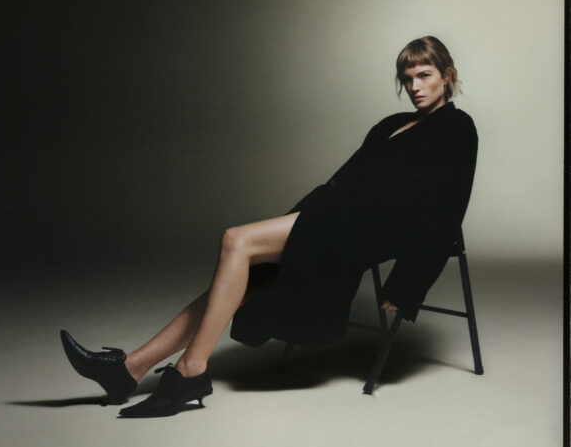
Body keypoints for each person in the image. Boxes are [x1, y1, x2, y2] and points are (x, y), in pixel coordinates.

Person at [61, 35, 478, 418]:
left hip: (373, 232)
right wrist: (297, 217)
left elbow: (446, 211)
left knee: (236, 241)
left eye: (425, 75)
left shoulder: (457, 129)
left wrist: (406, 286)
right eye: (408, 78)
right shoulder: (391, 124)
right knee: (244, 267)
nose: (415, 86)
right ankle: (130, 369)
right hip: (334, 220)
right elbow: (343, 182)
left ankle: (190, 371)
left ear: (447, 75)